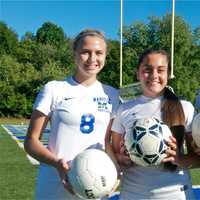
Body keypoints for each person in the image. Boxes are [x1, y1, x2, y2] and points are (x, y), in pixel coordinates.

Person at [24, 29, 119, 200]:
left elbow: (106, 142)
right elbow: (31, 142)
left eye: (99, 53)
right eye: (85, 52)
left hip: (95, 186)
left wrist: (115, 172)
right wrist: (57, 164)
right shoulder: (54, 89)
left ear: (105, 56)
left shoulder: (111, 94)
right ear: (75, 54)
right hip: (55, 184)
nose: (92, 59)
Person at [108, 49, 200, 199]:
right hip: (133, 194)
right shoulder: (123, 109)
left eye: (161, 70)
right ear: (138, 73)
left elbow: (198, 158)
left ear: (168, 74)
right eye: (147, 70)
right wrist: (121, 159)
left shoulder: (185, 108)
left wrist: (180, 159)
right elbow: (115, 154)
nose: (154, 75)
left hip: (176, 195)